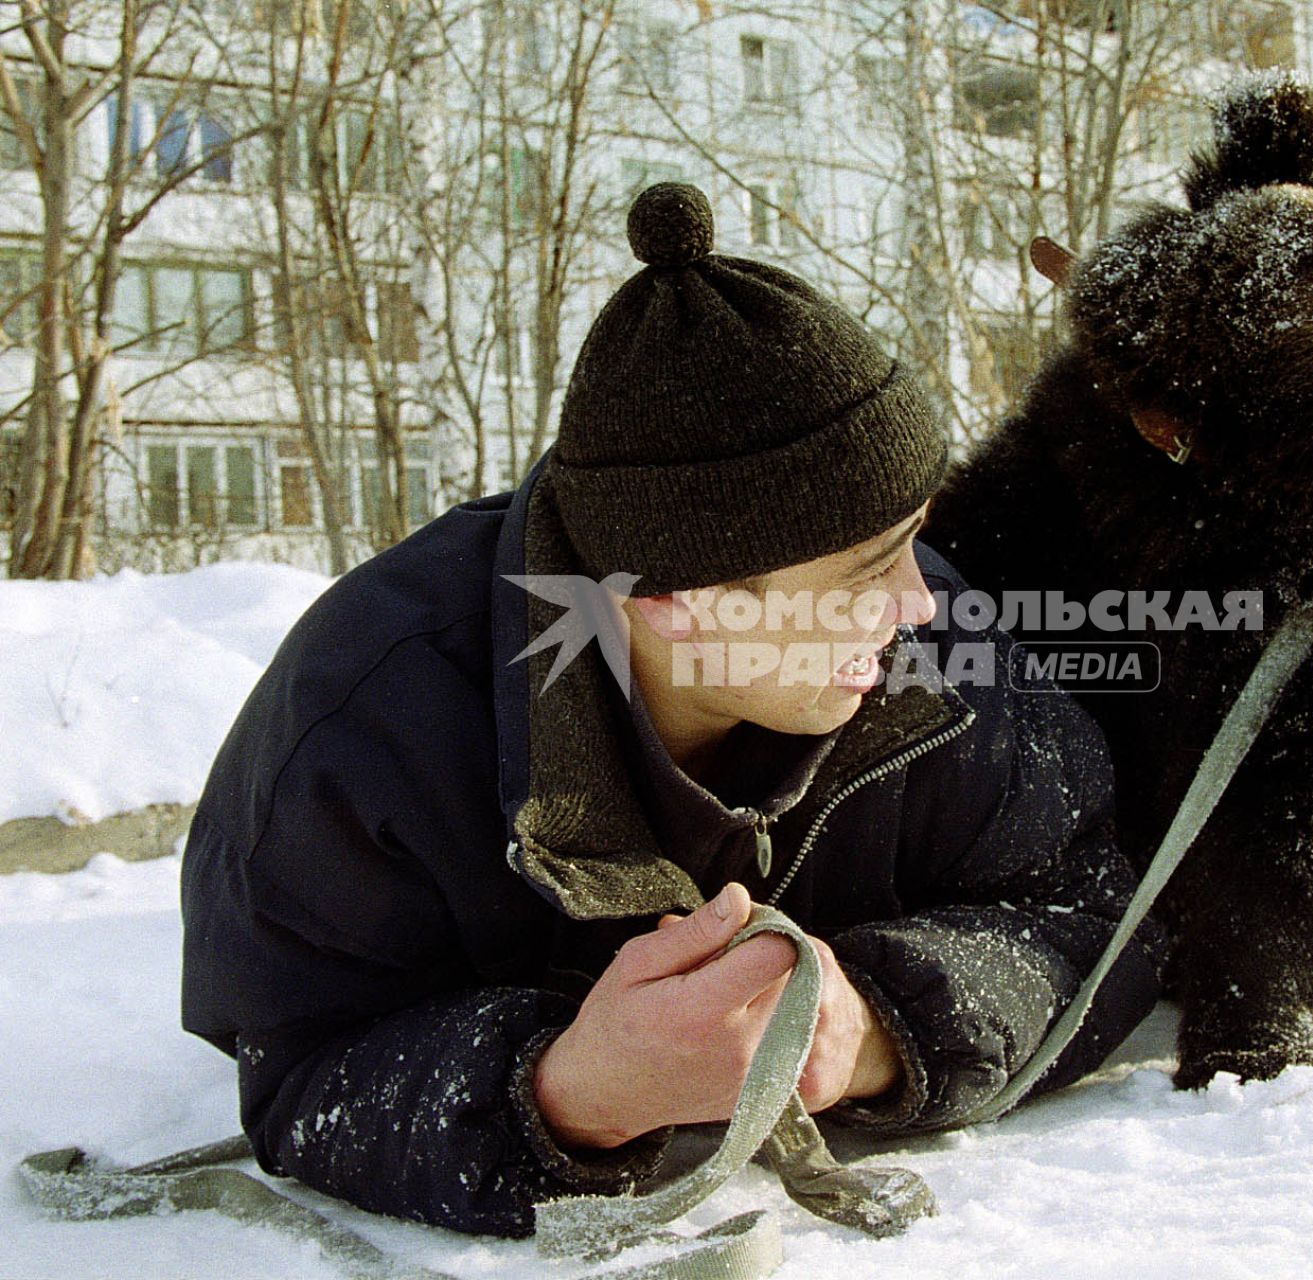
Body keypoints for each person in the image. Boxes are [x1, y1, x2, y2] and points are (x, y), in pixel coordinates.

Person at [180, 182, 1164, 1237]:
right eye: (866, 571)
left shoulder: (937, 647)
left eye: (912, 537)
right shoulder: (368, 723)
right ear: (678, 607)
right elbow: (294, 1065)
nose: (918, 599)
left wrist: (879, 1024)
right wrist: (567, 1093)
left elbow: (1091, 906)